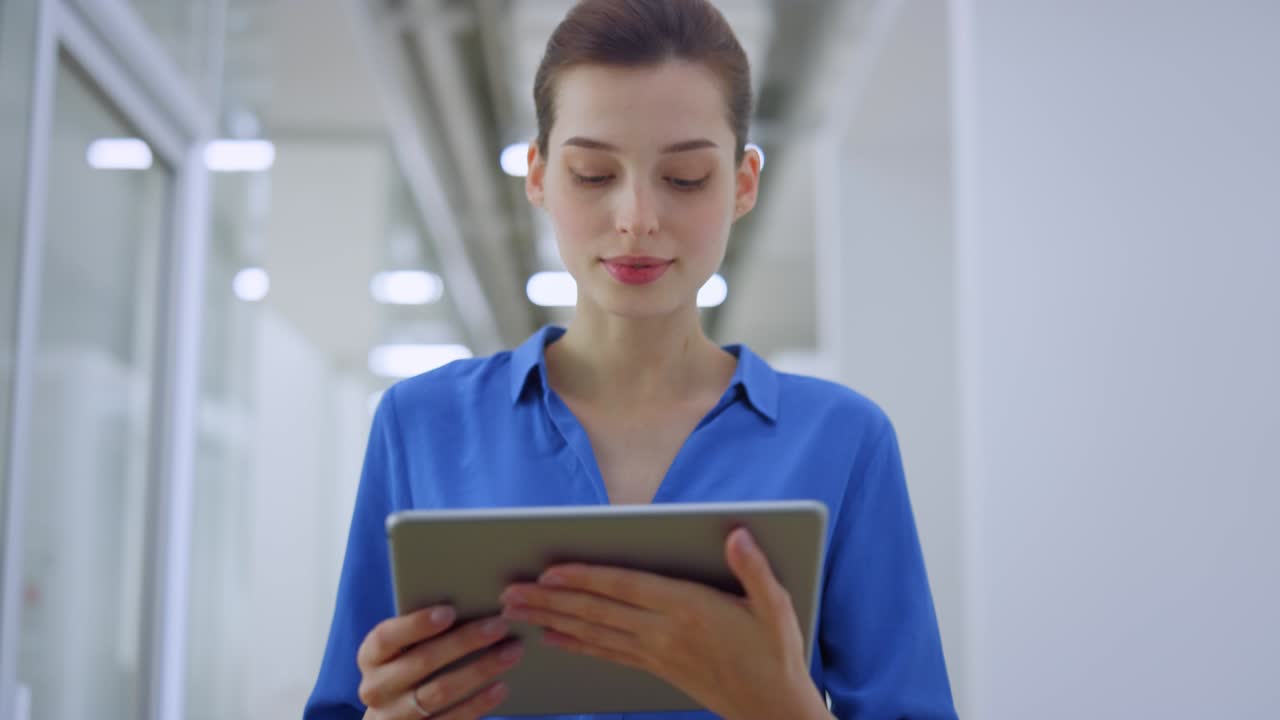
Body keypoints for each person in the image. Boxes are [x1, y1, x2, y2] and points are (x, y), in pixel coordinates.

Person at [304, 0, 957, 718]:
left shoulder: (844, 442)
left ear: (743, 183)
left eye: (684, 179)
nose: (637, 217)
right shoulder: (420, 424)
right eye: (591, 173)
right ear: (538, 175)